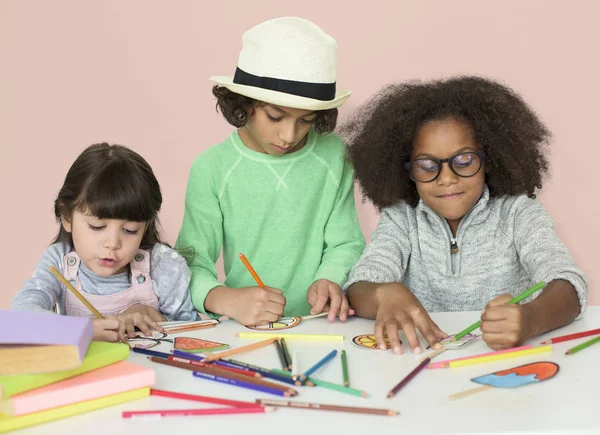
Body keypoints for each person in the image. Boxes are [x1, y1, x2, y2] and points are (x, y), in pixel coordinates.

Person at [341, 76, 588, 354]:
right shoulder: (402, 219)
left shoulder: (518, 213)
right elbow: (358, 288)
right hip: (425, 362)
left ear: (490, 160)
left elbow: (568, 283)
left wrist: (530, 319)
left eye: (464, 161)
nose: (446, 179)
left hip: (503, 364)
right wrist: (383, 293)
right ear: (407, 171)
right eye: (426, 165)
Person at [176, 17, 365, 326]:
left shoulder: (333, 157)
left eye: (306, 120)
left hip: (322, 325)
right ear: (243, 102)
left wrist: (330, 278)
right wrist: (223, 298)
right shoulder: (211, 167)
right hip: (245, 327)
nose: (289, 135)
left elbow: (346, 242)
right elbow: (190, 260)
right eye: (276, 116)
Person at [11, 143, 197, 342]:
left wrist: (155, 317)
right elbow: (21, 316)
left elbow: (197, 334)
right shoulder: (59, 261)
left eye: (130, 230)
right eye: (97, 227)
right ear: (67, 217)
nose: (113, 243)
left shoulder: (165, 265)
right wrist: (84, 329)